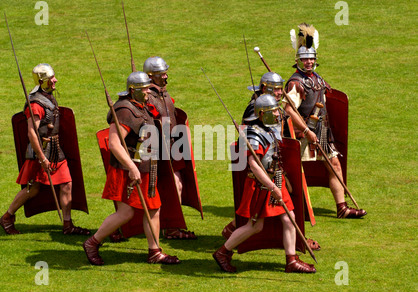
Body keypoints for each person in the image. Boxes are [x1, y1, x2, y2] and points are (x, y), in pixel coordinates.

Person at [83, 71, 180, 266]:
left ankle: (153, 251)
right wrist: (131, 168)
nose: (148, 92)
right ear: (132, 90)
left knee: (148, 210)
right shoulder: (125, 110)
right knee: (132, 212)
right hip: (130, 169)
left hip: (146, 167)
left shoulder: (141, 105)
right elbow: (114, 143)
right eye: (144, 89)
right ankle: (92, 243)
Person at [213, 94, 316, 273]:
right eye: (273, 110)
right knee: (255, 226)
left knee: (289, 217)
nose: (278, 114)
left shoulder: (270, 128)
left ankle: (291, 260)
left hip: (276, 179)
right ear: (262, 113)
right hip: (261, 186)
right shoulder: (254, 135)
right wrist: (272, 187)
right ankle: (223, 252)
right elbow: (254, 166)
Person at [284, 23, 366, 218]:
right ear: (298, 60)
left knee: (335, 165)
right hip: (302, 134)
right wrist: (306, 131)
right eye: (305, 59)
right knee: (295, 171)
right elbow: (288, 109)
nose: (309, 62)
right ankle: (292, 210)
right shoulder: (296, 83)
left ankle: (342, 208)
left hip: (322, 132)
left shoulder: (318, 79)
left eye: (311, 59)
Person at [0, 63, 90, 235]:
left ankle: (67, 224)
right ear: (42, 81)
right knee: (32, 188)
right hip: (41, 151)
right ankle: (7, 216)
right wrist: (42, 158)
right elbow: (32, 132)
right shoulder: (35, 105)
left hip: (55, 149)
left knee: (66, 184)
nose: (55, 80)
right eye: (51, 79)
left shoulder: (48, 96)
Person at [143, 56, 199, 240]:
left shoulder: (163, 93)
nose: (166, 76)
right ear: (151, 76)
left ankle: (172, 226)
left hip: (173, 148)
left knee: (178, 186)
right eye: (162, 74)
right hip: (157, 151)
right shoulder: (146, 95)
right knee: (167, 188)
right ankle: (170, 228)